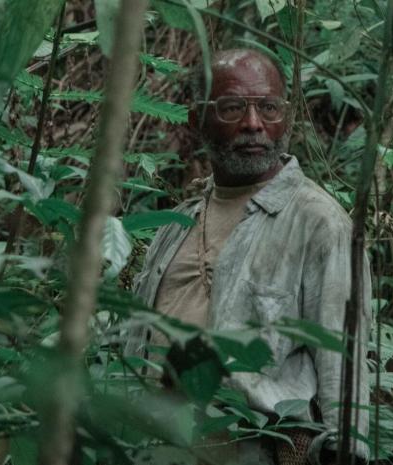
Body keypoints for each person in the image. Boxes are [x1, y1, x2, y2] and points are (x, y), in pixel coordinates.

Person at [130, 48, 371, 464]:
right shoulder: (176, 225)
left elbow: (342, 359)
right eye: (233, 108)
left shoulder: (318, 222)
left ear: (287, 118)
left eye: (269, 108)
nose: (254, 124)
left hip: (254, 448)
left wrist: (346, 449)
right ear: (196, 119)